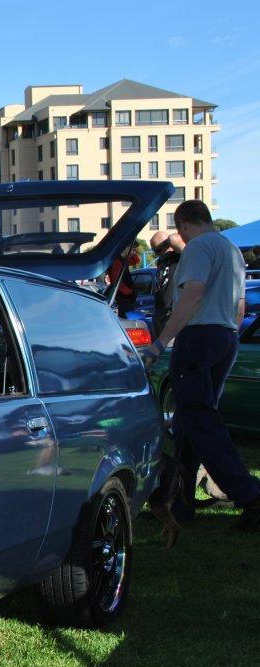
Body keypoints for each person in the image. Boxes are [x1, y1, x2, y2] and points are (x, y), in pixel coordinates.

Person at [142, 200, 260, 531]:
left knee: (201, 422)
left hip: (198, 338)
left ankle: (250, 495)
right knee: (188, 424)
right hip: (224, 337)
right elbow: (239, 304)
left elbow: (193, 294)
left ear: (182, 225)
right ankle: (178, 504)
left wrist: (160, 343)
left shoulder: (197, 248)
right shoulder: (230, 249)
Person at [149, 230, 185, 338]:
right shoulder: (161, 261)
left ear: (169, 245)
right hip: (159, 314)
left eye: (158, 250)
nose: (156, 254)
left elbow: (175, 239)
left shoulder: (178, 257)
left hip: (171, 315)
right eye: (154, 251)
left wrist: (169, 240)